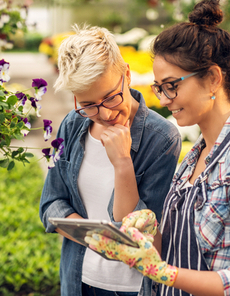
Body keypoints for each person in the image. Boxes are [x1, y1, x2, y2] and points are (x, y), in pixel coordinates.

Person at [86, 0, 230, 296]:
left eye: (172, 85)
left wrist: (161, 272)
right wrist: (146, 234)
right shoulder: (195, 157)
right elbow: (171, 252)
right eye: (159, 87)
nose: (163, 99)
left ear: (212, 79)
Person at [39, 25, 182, 296]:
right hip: (77, 279)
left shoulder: (161, 139)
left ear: (126, 74)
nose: (104, 114)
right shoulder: (73, 124)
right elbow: (50, 203)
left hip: (130, 288)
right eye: (89, 104)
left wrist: (122, 164)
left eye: (110, 98)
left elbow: (139, 236)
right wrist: (96, 240)